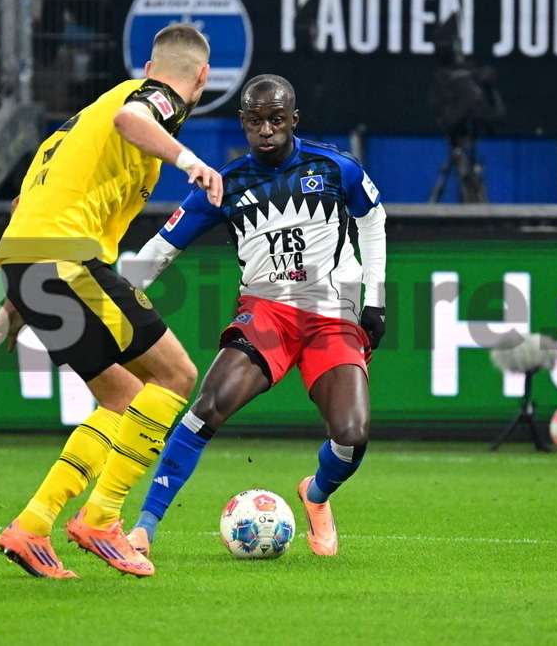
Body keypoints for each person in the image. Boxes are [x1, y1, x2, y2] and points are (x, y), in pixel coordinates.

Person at [0, 24, 223, 579]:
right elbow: (132, 120)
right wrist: (191, 163)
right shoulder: (152, 101)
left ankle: (31, 526)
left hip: (31, 262)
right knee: (177, 375)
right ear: (202, 76)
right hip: (67, 261)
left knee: (122, 397)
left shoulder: (79, 121)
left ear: (147, 62)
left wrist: (16, 298)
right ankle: (102, 518)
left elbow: (26, 199)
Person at [123, 74, 387, 558]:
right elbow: (162, 248)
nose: (266, 129)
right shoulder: (224, 185)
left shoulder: (334, 167)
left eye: (276, 119)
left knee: (351, 438)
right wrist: (112, 295)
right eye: (255, 121)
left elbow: (373, 218)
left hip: (332, 315)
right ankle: (144, 527)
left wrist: (376, 298)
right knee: (208, 406)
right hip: (267, 312)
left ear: (293, 120)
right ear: (243, 122)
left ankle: (316, 494)